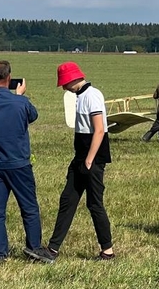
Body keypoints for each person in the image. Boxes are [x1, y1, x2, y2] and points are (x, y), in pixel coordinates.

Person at [0, 61, 55, 264]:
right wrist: (19, 96)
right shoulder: (21, 103)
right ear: (9, 78)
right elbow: (33, 116)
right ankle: (34, 248)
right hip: (19, 164)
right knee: (29, 208)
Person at [48, 61, 115, 260]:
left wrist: (89, 161)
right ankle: (52, 249)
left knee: (94, 204)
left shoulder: (92, 96)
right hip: (81, 157)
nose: (63, 87)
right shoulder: (81, 96)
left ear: (71, 79)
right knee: (67, 200)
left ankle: (108, 251)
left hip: (91, 158)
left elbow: (99, 130)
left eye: (64, 83)